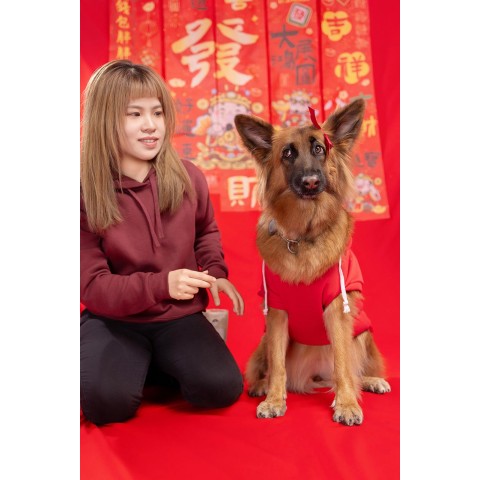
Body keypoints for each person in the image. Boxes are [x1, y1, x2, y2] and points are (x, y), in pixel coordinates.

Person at [80, 59, 245, 426]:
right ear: (105, 119)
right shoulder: (84, 192)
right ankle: (121, 359)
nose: (151, 125)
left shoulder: (188, 176)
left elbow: (206, 231)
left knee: (221, 388)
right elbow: (93, 287)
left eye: (157, 112)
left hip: (178, 315)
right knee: (106, 405)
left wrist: (215, 272)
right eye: (134, 114)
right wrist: (162, 284)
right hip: (114, 319)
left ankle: (150, 362)